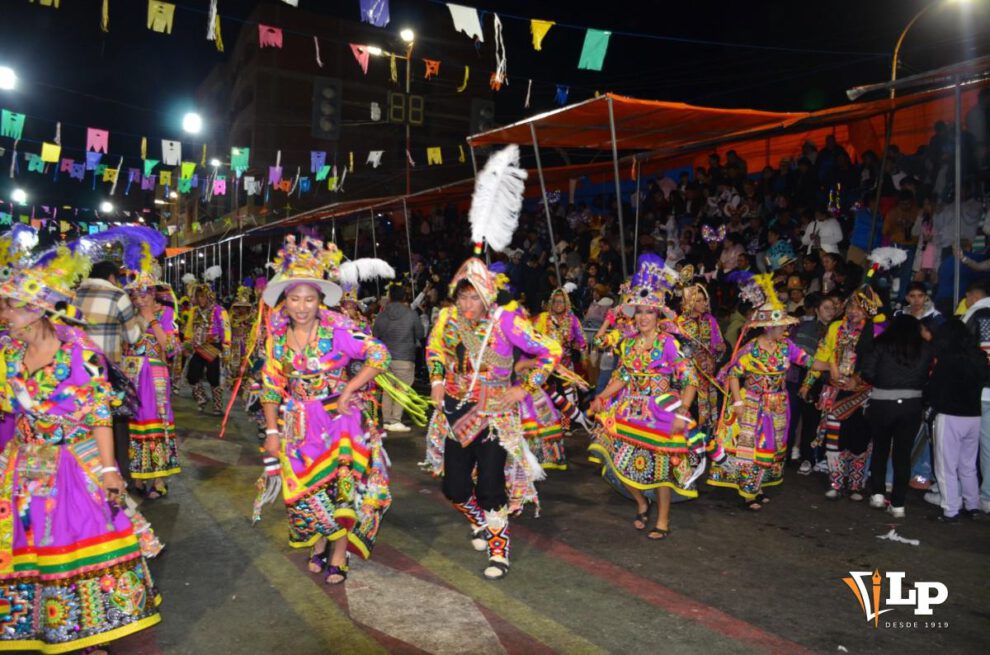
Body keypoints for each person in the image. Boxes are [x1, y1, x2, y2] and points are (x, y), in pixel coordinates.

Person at [0, 246, 161, 653]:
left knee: (80, 544)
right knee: (35, 548)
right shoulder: (8, 354)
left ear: (36, 309)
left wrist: (109, 470)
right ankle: (51, 629)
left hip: (74, 464)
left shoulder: (80, 354)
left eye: (10, 308)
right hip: (25, 468)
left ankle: (89, 633)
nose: (4, 316)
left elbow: (100, 416)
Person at [260, 236, 393, 585]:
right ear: (284, 301)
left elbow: (380, 355)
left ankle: (338, 552)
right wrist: (272, 432)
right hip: (298, 425)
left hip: (339, 421)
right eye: (294, 299)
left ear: (320, 301)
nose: (302, 306)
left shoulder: (337, 330)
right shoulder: (275, 339)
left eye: (309, 299)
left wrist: (351, 386)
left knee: (339, 490)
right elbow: (271, 386)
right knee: (306, 489)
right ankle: (318, 540)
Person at [425, 257, 562, 578]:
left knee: (490, 485)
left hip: (495, 415)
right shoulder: (448, 319)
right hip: (457, 412)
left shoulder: (506, 322)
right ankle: (478, 520)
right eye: (463, 296)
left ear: (487, 296)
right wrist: (436, 381)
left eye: (474, 296)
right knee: (454, 488)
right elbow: (434, 351)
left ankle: (499, 550)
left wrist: (524, 388)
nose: (467, 303)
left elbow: (550, 350)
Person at [588, 254, 702, 540]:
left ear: (658, 315)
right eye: (638, 311)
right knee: (615, 457)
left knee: (662, 468)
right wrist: (602, 395)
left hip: (662, 412)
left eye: (649, 312)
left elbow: (690, 379)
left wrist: (682, 411)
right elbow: (624, 376)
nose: (643, 317)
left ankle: (662, 520)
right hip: (631, 409)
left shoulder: (668, 343)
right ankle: (640, 502)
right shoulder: (629, 343)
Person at [708, 274, 828, 509]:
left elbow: (808, 361)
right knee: (750, 448)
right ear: (770, 326)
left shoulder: (786, 346)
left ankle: (757, 486)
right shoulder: (751, 348)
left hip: (778, 404)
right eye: (782, 324)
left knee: (770, 447)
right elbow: (733, 373)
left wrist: (831, 366)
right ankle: (749, 492)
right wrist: (738, 403)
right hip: (753, 403)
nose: (786, 327)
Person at [802, 281, 884, 502]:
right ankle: (836, 482)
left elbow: (877, 362)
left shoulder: (876, 331)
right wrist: (808, 382)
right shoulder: (835, 327)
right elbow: (822, 355)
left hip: (862, 393)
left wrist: (858, 379)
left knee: (859, 439)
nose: (853, 312)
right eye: (850, 307)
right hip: (835, 391)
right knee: (834, 438)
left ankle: (856, 484)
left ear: (867, 309)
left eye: (858, 308)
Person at [75, 259, 145, 483]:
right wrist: (143, 319)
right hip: (106, 372)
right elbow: (132, 337)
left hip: (75, 371)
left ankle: (85, 476)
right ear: (112, 277)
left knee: (81, 425)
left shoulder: (72, 294)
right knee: (114, 426)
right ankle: (119, 478)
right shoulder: (117, 295)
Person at [859, 315, 934, 518]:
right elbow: (927, 376)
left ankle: (877, 494)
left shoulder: (881, 344)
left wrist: (882, 382)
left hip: (882, 402)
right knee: (903, 454)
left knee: (880, 449)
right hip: (911, 405)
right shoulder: (925, 348)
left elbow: (866, 371)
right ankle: (899, 504)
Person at [122, 251, 181, 499]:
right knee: (135, 424)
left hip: (156, 375)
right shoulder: (128, 317)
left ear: (154, 291)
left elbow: (172, 348)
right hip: (133, 375)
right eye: (135, 293)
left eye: (144, 292)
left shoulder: (166, 314)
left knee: (158, 421)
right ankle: (138, 473)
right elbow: (125, 346)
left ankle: (159, 478)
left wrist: (152, 322)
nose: (140, 298)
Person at [926, 319, 988, 521]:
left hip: (950, 415)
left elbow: (934, 389)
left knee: (946, 465)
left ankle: (951, 509)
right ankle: (973, 505)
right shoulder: (978, 357)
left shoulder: (947, 359)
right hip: (974, 415)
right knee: (968, 465)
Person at [534, 287, 591, 438]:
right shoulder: (543, 319)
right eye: (555, 301)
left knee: (569, 397)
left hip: (565, 365)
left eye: (561, 301)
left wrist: (584, 357)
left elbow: (582, 340)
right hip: (546, 365)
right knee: (545, 395)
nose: (558, 304)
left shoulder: (572, 320)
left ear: (566, 304)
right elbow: (532, 338)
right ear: (551, 303)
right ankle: (549, 425)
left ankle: (566, 427)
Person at [791, 294, 837, 474]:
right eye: (826, 308)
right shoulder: (808, 328)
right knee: (810, 420)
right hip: (811, 379)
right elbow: (801, 356)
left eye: (833, 308)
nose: (830, 311)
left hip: (833, 381)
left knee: (828, 421)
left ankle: (824, 458)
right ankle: (807, 458)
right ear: (817, 310)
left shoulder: (840, 329)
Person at [373, 283, 425, 433]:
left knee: (388, 389)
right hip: (405, 356)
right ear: (404, 297)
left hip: (385, 357)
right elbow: (420, 334)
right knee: (402, 389)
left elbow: (375, 335)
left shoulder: (382, 315)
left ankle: (387, 420)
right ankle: (395, 420)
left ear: (389, 297)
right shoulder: (410, 314)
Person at [675, 279, 725, 431]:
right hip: (689, 375)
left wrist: (720, 348)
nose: (703, 304)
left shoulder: (710, 321)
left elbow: (719, 345)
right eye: (698, 301)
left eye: (704, 300)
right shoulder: (680, 323)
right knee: (692, 409)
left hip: (708, 374)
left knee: (711, 409)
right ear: (690, 303)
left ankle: (708, 440)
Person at [961, 279, 990, 513]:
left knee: (966, 446)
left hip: (976, 391)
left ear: (972, 296)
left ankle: (962, 492)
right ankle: (987, 495)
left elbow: (961, 351)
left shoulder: (975, 315)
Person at [184, 281, 230, 415]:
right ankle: (201, 397)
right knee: (191, 375)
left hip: (213, 346)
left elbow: (225, 328)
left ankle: (217, 406)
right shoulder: (194, 311)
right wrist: (187, 345)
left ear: (209, 296)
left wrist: (226, 346)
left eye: (203, 296)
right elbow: (189, 329)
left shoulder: (219, 310)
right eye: (198, 296)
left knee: (213, 377)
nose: (200, 299)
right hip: (198, 347)